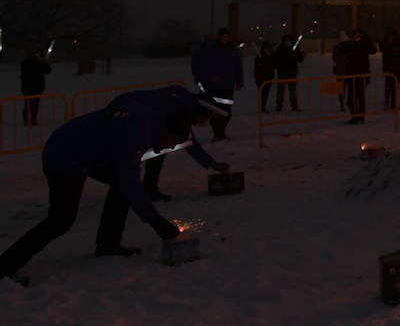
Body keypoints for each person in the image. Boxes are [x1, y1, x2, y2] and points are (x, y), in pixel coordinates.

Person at [0, 101, 186, 283]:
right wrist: (157, 222)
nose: (169, 147)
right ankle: (6, 266)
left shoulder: (149, 120)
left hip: (82, 149)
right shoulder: (135, 135)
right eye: (173, 143)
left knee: (121, 185)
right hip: (63, 156)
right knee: (61, 220)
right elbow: (131, 184)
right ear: (167, 131)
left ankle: (108, 243)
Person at [108, 85, 231, 202]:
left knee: (158, 148)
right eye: (206, 118)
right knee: (152, 149)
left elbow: (187, 139)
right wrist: (212, 164)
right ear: (202, 112)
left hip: (124, 108)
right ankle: (133, 189)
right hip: (124, 114)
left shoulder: (182, 101)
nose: (204, 122)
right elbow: (189, 142)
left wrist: (211, 163)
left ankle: (143, 189)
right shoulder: (178, 108)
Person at [192, 27, 244, 141]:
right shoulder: (211, 49)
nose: (225, 39)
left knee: (226, 111)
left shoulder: (233, 49)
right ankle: (218, 134)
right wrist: (209, 78)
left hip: (228, 86)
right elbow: (203, 66)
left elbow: (238, 66)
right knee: (215, 110)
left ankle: (221, 133)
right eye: (223, 36)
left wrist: (239, 81)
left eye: (227, 36)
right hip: (215, 86)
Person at [343, 28, 376, 124]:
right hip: (354, 74)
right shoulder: (350, 45)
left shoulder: (363, 45)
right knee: (353, 98)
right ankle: (357, 116)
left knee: (358, 97)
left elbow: (373, 50)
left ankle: (359, 117)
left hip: (360, 74)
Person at [379, 27, 400, 111]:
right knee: (394, 86)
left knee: (388, 86)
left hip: (389, 68)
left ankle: (387, 103)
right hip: (397, 68)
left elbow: (381, 48)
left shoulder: (387, 45)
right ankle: (392, 104)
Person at [272, 33, 305, 112]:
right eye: (286, 40)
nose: (288, 42)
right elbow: (275, 62)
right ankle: (278, 107)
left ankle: (294, 107)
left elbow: (300, 59)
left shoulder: (295, 49)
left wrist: (300, 54)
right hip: (282, 73)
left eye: (289, 40)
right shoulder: (280, 49)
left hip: (292, 73)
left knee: (292, 91)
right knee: (280, 91)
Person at [20, 46, 53, 127]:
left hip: (38, 87)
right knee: (28, 104)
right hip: (28, 87)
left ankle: (33, 119)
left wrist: (44, 62)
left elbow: (48, 70)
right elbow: (29, 71)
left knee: (35, 104)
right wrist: (39, 63)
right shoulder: (26, 63)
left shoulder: (39, 63)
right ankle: (26, 120)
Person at [254, 40, 277, 113]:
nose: (270, 47)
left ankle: (263, 107)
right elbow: (258, 66)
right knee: (263, 93)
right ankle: (262, 108)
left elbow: (274, 65)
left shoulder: (272, 54)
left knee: (265, 93)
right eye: (268, 46)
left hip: (269, 77)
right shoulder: (260, 55)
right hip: (261, 77)